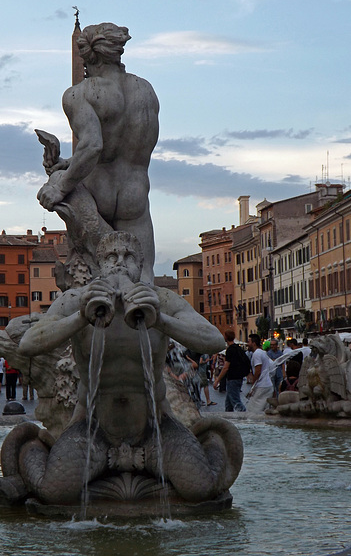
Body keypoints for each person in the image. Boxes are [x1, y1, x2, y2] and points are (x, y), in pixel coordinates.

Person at [19, 231, 225, 444]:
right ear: (100, 265)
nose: (120, 263)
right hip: (91, 424)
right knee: (60, 475)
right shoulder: (76, 300)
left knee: (194, 473)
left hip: (156, 423)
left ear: (140, 265)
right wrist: (81, 317)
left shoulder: (160, 299)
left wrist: (160, 320)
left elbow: (215, 341)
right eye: (111, 257)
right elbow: (28, 344)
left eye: (129, 257)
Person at [36, 23, 159, 282]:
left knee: (95, 284)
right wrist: (69, 162)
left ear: (86, 58)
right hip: (134, 194)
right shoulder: (145, 91)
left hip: (96, 193)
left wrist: (61, 184)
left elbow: (93, 146)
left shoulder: (80, 94)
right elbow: (125, 149)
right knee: (144, 282)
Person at [213, 330, 249, 412]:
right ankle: (229, 418)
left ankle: (245, 417)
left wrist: (217, 380)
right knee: (228, 403)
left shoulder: (230, 350)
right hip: (238, 377)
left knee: (235, 401)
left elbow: (226, 367)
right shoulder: (238, 348)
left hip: (232, 378)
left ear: (226, 337)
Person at [246, 334, 274, 413]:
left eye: (249, 341)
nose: (248, 344)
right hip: (267, 384)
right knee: (263, 409)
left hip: (261, 385)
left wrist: (253, 385)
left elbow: (258, 370)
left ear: (254, 343)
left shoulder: (257, 354)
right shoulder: (262, 352)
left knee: (252, 410)